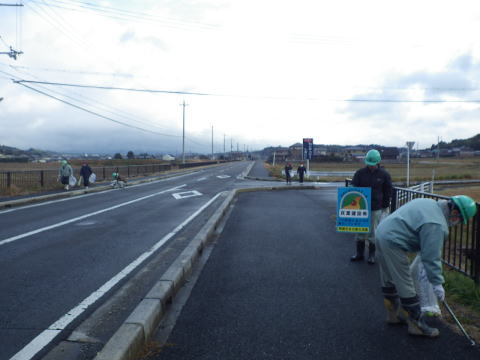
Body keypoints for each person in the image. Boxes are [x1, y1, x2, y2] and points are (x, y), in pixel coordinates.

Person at [376, 195, 477, 338]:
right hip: (393, 242)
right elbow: (431, 257)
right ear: (455, 213)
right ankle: (416, 326)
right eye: (460, 220)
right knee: (406, 284)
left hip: (381, 231)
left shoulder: (429, 203)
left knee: (389, 279)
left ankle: (393, 316)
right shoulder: (436, 224)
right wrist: (437, 283)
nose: (458, 223)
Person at [350, 149, 392, 264]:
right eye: (369, 164)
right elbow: (354, 188)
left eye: (373, 164)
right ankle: (359, 253)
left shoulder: (384, 175)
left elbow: (388, 191)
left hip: (376, 207)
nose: (371, 166)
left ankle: (372, 255)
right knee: (360, 230)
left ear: (378, 162)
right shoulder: (360, 173)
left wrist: (385, 205)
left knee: (373, 231)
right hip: (361, 208)